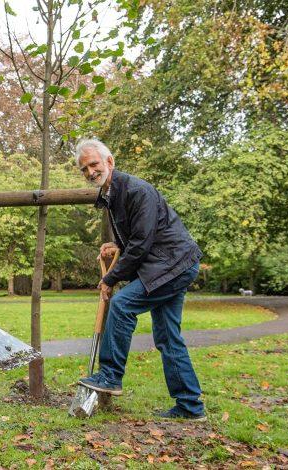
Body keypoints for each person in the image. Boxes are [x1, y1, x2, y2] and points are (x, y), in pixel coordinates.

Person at [75, 138, 206, 421]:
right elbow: (138, 237)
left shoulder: (137, 190)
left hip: (172, 265)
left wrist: (111, 277)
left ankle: (110, 376)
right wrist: (116, 245)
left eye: (94, 164)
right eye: (84, 169)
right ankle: (190, 407)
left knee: (122, 305)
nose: (90, 172)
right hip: (168, 266)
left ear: (110, 161)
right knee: (168, 336)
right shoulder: (111, 195)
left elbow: (143, 243)